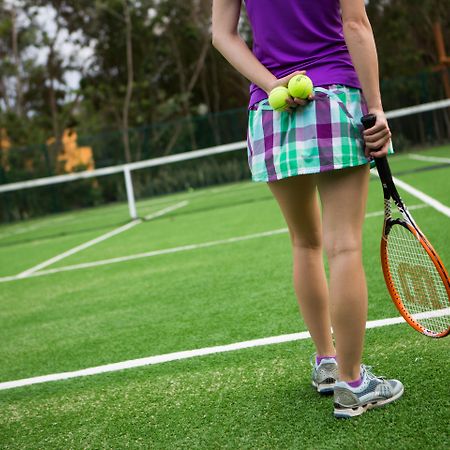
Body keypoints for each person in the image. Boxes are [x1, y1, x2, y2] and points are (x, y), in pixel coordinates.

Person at [212, 0, 404, 418]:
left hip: (270, 110)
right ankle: (353, 384)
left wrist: (272, 84)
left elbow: (222, 34)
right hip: (335, 96)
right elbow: (355, 24)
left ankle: (327, 362)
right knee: (344, 247)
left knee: (305, 243)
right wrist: (375, 108)